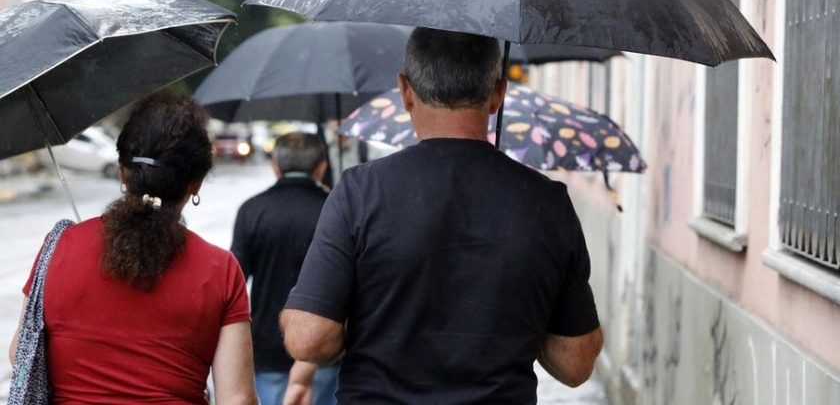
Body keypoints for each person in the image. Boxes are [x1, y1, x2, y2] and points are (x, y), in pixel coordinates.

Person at [279, 28, 604, 404]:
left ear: (405, 90)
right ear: (498, 93)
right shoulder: (547, 201)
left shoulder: (359, 191)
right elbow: (576, 363)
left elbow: (309, 338)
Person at [9, 92, 257, 404]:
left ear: (122, 172)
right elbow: (238, 398)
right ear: (196, 183)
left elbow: (20, 351)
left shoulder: (59, 246)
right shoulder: (220, 269)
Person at [231, 132, 337, 405]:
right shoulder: (335, 210)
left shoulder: (252, 210)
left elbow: (235, 280)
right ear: (321, 167)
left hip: (267, 344)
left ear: (275, 165)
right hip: (322, 346)